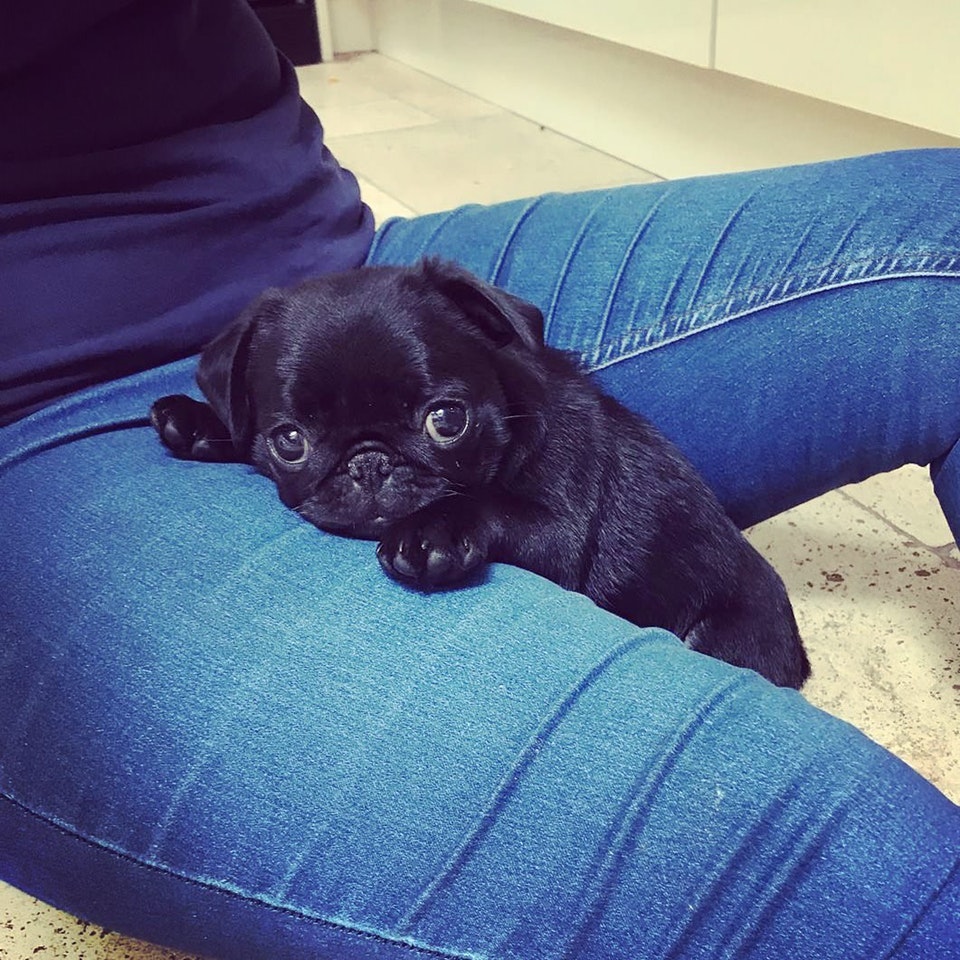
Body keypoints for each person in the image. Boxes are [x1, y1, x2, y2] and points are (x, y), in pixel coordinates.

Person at [1, 2, 958, 959]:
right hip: (48, 391)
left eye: (441, 425)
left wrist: (315, 443)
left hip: (333, 250)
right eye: (295, 447)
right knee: (824, 860)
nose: (372, 477)